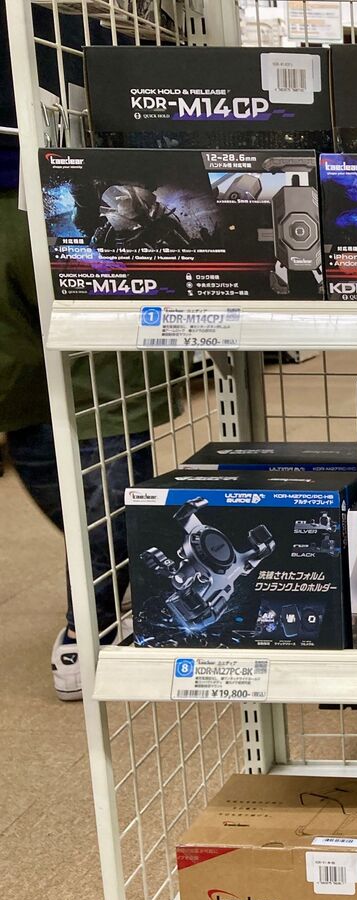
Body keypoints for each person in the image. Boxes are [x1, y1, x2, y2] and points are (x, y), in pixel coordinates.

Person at [0, 187, 178, 700]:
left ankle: (91, 621)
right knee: (59, 479)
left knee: (108, 481)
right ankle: (134, 573)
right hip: (23, 373)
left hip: (57, 181)